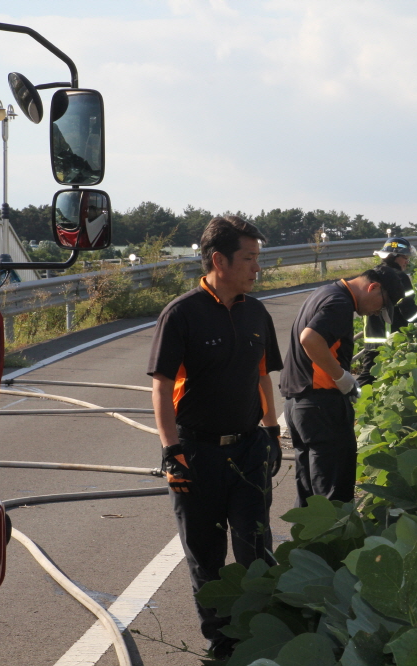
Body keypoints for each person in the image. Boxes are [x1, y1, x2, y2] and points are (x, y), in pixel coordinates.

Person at [147, 215, 283, 658]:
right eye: (249, 258)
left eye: (258, 258)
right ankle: (222, 644)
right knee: (206, 557)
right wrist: (171, 450)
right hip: (197, 453)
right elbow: (162, 387)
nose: (256, 268)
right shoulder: (182, 313)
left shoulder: (256, 311)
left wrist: (272, 430)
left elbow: (263, 375)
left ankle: (259, 634)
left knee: (256, 548)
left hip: (248, 448)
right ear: (218, 260)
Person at [279, 265, 405, 507]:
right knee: (333, 495)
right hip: (321, 405)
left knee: (309, 493)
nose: (378, 311)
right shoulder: (340, 303)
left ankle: (305, 543)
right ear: (374, 287)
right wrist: (342, 377)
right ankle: (330, 542)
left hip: (298, 404)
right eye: (382, 304)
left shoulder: (325, 292)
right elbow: (310, 339)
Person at [355, 237, 417, 386]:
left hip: (372, 336)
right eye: (405, 257)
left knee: (369, 374)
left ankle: (351, 402)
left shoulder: (372, 273)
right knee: (396, 377)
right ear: (395, 256)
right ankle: (348, 402)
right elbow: (409, 310)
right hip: (392, 337)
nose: (407, 261)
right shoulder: (400, 277)